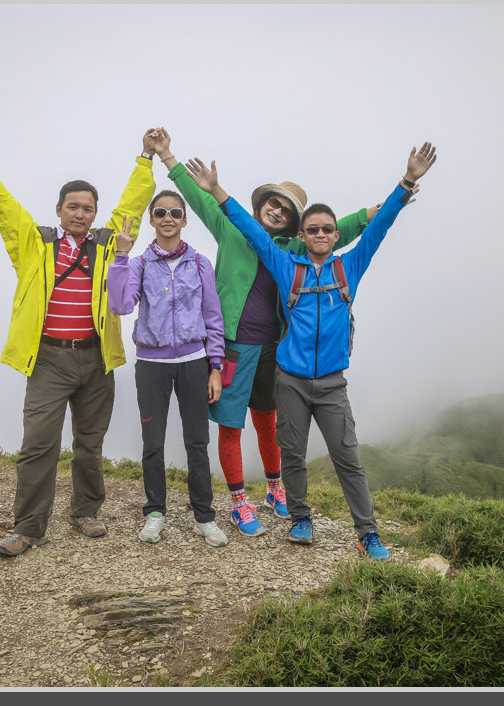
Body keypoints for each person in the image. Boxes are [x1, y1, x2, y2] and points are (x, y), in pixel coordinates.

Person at [184, 142, 437, 561]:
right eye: (313, 230)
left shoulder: (348, 267)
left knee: (348, 459)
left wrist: (407, 181)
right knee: (294, 453)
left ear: (336, 236)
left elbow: (378, 227)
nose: (320, 234)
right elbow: (249, 230)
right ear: (301, 236)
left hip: (332, 382)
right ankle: (300, 518)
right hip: (290, 380)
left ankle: (367, 533)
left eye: (327, 230)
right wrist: (217, 191)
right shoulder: (287, 266)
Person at [147, 127, 384, 539]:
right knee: (230, 422)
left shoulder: (292, 249)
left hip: (276, 346)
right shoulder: (231, 228)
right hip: (234, 346)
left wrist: (371, 213)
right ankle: (238, 501)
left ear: (292, 222)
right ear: (261, 206)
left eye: (286, 210)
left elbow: (333, 231)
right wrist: (168, 157)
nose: (277, 211)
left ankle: (275, 489)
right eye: (273, 203)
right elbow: (203, 200)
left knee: (270, 421)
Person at [0, 127, 156, 556]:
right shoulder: (35, 242)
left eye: (88, 208)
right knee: (38, 445)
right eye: (73, 207)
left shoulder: (107, 243)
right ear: (60, 210)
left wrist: (145, 157)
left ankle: (85, 510)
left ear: (96, 213)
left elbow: (133, 206)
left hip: (97, 359)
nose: (80, 214)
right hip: (48, 360)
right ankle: (28, 527)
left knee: (90, 444)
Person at [106, 191, 229, 547]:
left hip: (194, 363)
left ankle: (204, 518)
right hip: (152, 365)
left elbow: (213, 317)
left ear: (185, 219)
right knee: (153, 443)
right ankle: (155, 513)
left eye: (175, 212)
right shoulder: (139, 263)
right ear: (152, 220)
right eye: (160, 212)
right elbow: (120, 304)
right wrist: (121, 255)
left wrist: (215, 366)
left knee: (197, 442)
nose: (168, 218)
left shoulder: (200, 263)